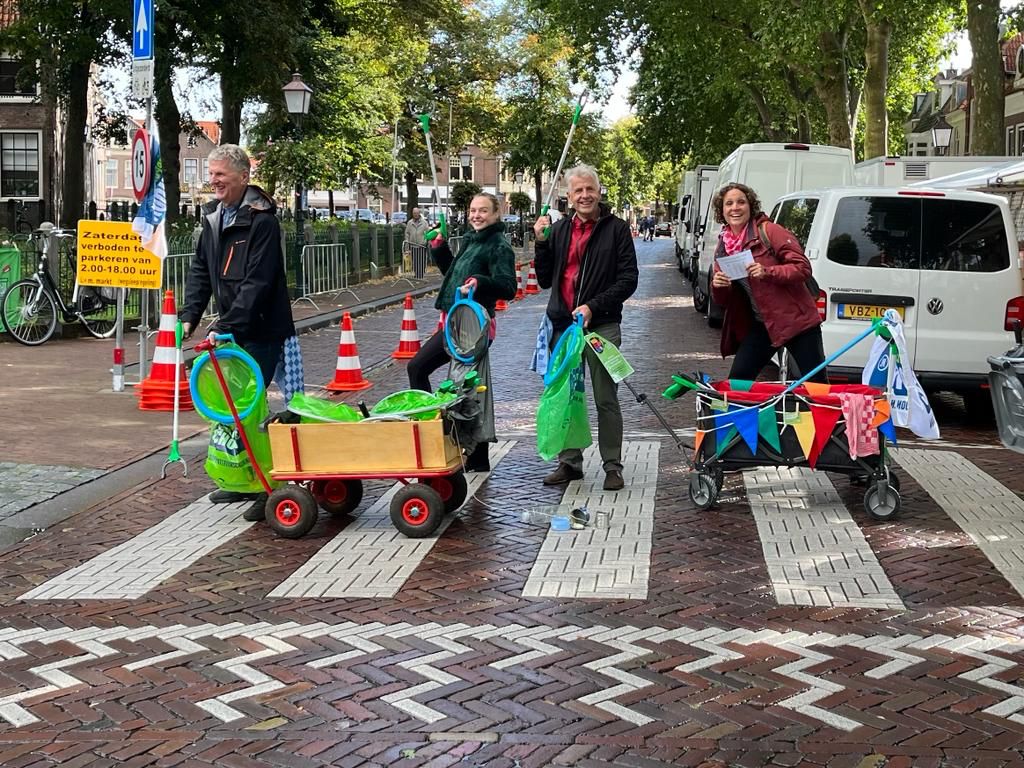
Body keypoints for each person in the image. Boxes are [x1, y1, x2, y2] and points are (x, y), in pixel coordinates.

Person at [180, 144, 295, 511]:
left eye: (220, 175)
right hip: (231, 330)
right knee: (230, 409)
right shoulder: (213, 217)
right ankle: (241, 479)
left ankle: (266, 486)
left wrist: (226, 324)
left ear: (243, 177)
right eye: (210, 174)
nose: (212, 181)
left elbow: (258, 282)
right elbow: (201, 270)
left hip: (260, 329)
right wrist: (189, 316)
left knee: (251, 408)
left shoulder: (261, 220)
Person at [534, 164, 639, 491]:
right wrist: (540, 242)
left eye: (589, 189)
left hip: (601, 327)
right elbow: (542, 279)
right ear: (568, 196)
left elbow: (628, 279)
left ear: (599, 191)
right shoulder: (561, 229)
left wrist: (593, 306)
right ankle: (569, 462)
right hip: (564, 327)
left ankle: (612, 465)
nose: (584, 196)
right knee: (565, 396)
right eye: (578, 191)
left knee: (606, 397)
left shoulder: (617, 229)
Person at [406, 193, 517, 472]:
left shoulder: (498, 246)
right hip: (453, 324)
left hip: (473, 328)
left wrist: (479, 282)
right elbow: (454, 274)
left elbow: (508, 288)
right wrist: (439, 248)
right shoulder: (471, 239)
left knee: (466, 391)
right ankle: (441, 433)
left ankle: (474, 456)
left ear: (496, 215)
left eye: (483, 211)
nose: (476, 215)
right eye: (473, 210)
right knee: (421, 370)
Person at [709, 182, 825, 383]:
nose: (735, 208)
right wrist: (718, 285)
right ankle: (739, 416)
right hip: (762, 325)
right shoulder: (723, 245)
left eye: (741, 202)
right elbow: (723, 300)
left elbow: (803, 268)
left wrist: (767, 272)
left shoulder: (770, 231)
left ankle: (830, 415)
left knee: (816, 386)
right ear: (722, 210)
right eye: (729, 204)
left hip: (797, 322)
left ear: (750, 206)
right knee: (738, 381)